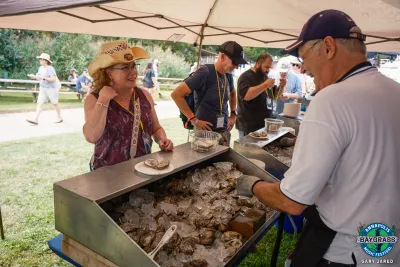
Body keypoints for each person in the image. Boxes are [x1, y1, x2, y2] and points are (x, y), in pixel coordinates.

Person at [237, 9, 400, 267]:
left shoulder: (331, 99)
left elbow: (291, 202)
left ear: (327, 46)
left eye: (304, 57)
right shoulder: (394, 90)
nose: (303, 68)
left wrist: (251, 184)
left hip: (344, 252)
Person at [83, 40, 174, 170]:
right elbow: (91, 136)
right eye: (125, 67)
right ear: (108, 72)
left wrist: (162, 139)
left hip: (143, 170)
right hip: (107, 175)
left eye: (133, 66)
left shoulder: (144, 95)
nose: (133, 72)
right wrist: (103, 100)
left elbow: (156, 129)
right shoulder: (94, 99)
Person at [171, 41, 247, 146]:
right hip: (204, 136)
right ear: (222, 57)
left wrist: (233, 114)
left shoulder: (227, 75)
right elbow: (176, 94)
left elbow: (233, 94)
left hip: (223, 133)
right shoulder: (205, 72)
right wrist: (194, 120)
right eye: (234, 62)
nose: (237, 67)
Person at [236, 53, 286, 138]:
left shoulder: (264, 77)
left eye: (269, 68)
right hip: (249, 125)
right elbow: (246, 96)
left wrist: (281, 87)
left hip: (263, 124)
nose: (268, 70)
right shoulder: (245, 77)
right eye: (266, 67)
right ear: (258, 64)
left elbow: (274, 96)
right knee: (247, 150)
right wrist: (265, 85)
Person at [26, 53, 62, 125]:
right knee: (40, 102)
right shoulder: (40, 68)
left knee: (54, 103)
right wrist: (34, 77)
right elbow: (39, 77)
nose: (39, 60)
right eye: (39, 59)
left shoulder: (50, 68)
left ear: (46, 61)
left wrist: (43, 78)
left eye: (41, 59)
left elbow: (53, 79)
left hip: (51, 88)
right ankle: (35, 119)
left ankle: (59, 117)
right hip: (43, 88)